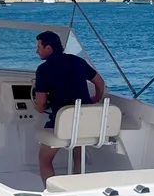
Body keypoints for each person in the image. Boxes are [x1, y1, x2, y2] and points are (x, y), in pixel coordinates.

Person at [34, 30, 105, 186]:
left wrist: (39, 108)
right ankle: (77, 188)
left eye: (39, 46)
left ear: (49, 48)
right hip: (86, 122)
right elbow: (100, 82)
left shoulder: (43, 70)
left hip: (63, 124)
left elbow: (40, 104)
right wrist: (96, 98)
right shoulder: (78, 61)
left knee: (44, 160)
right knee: (78, 149)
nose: (36, 50)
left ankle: (52, 193)